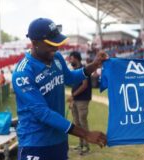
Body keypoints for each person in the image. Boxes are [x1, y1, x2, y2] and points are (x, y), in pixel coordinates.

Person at [12, 18, 107, 160]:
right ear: (35, 43)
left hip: (59, 141)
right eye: (51, 44)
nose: (56, 48)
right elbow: (43, 113)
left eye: (57, 43)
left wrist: (93, 66)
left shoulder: (56, 58)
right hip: (35, 144)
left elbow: (70, 77)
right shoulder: (23, 73)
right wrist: (86, 134)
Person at [67, 51, 92, 155]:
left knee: (83, 122)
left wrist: (73, 95)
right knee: (77, 123)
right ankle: (81, 144)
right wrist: (72, 99)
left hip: (83, 100)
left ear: (76, 58)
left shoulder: (84, 70)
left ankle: (87, 146)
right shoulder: (74, 70)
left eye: (71, 58)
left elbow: (84, 85)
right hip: (76, 100)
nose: (70, 60)